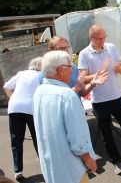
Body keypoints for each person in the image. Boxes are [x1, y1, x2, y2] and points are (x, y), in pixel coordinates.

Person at [78, 24, 121, 175]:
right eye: (99, 38)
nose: (103, 40)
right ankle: (117, 161)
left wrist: (118, 68)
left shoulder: (111, 47)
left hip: (117, 97)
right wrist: (98, 74)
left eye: (104, 37)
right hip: (99, 101)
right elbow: (83, 77)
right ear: (91, 38)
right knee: (107, 134)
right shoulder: (84, 54)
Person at [33, 51, 99, 183]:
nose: (72, 72)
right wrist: (88, 159)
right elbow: (77, 136)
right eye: (70, 67)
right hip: (71, 169)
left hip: (52, 167)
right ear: (60, 70)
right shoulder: (67, 95)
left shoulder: (39, 91)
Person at [3, 57, 42, 181]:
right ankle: (44, 165)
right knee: (38, 138)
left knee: (16, 140)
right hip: (31, 109)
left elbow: (6, 86)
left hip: (14, 107)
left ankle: (17, 170)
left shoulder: (21, 73)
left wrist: (12, 97)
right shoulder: (41, 76)